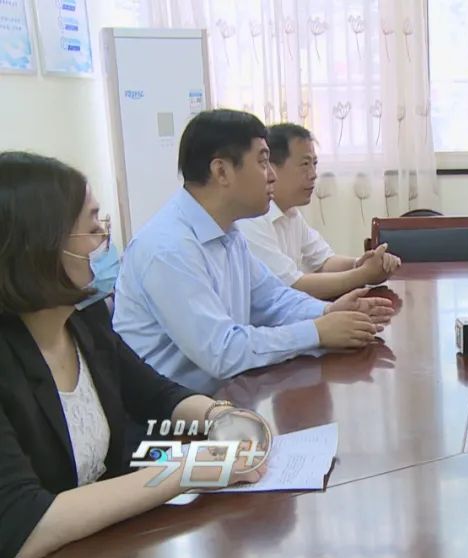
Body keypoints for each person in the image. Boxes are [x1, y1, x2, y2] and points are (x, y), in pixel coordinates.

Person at [0, 152, 266, 558]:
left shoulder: (84, 321)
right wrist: (190, 470)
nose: (106, 239)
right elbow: (28, 525)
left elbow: (155, 394)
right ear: (40, 244)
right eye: (92, 227)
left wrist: (220, 416)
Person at [113, 109, 394, 395]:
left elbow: (273, 299)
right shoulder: (168, 249)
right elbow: (222, 351)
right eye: (262, 162)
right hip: (174, 413)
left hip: (224, 396)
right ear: (221, 171)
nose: (271, 175)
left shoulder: (228, 233)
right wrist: (317, 331)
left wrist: (328, 311)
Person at [237, 123, 401, 300]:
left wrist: (361, 263)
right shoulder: (251, 219)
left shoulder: (291, 213)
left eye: (314, 164)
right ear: (272, 168)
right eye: (305, 164)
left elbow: (324, 261)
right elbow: (293, 286)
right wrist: (364, 274)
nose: (313, 174)